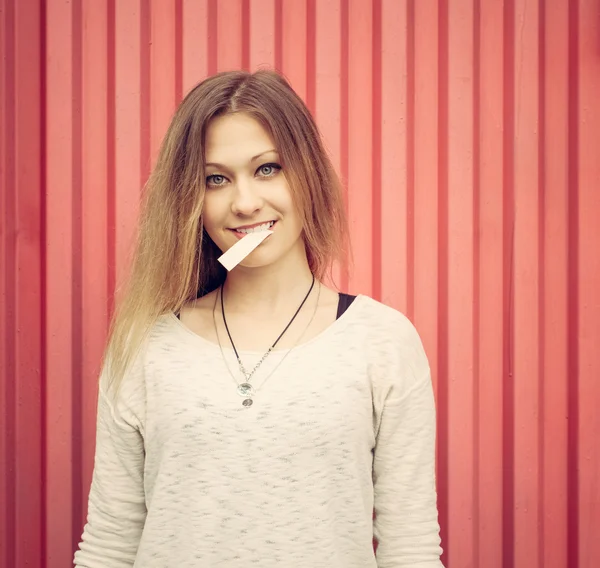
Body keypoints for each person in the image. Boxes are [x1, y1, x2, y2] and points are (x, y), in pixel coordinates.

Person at [73, 69, 444, 568]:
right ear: (192, 200)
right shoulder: (144, 347)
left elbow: (411, 550)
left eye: (267, 169)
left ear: (307, 173)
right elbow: (110, 546)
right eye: (216, 179)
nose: (245, 203)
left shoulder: (382, 341)